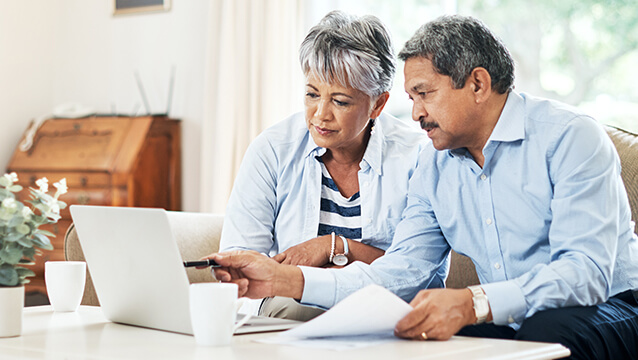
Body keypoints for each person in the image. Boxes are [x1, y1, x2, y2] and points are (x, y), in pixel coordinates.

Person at [208, 15, 638, 358]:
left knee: (545, 331)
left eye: (423, 94)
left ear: (477, 84)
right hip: (513, 319)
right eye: (411, 99)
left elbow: (585, 274)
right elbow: (400, 274)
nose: (413, 114)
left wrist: (472, 303)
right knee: (420, 338)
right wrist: (284, 279)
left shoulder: (570, 137)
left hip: (610, 307)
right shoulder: (434, 163)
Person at [217, 11, 446, 321]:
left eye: (340, 101)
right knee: (293, 307)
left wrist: (334, 246)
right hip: (292, 311)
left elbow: (418, 274)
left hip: (385, 312)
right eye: (312, 94)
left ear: (377, 104)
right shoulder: (272, 150)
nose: (319, 114)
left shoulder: (417, 157)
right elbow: (241, 263)